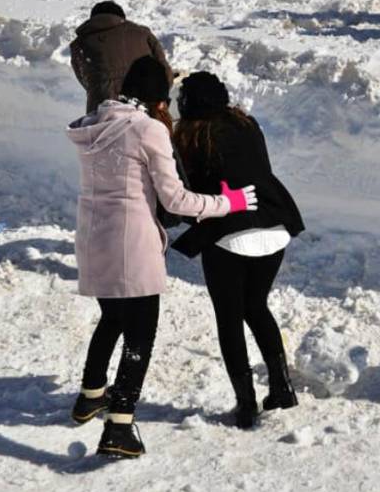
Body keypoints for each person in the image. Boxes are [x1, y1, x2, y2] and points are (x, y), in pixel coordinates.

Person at [66, 57, 258, 458]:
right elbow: (176, 200)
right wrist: (229, 203)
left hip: (93, 238)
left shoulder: (94, 124)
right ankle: (119, 427)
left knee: (112, 318)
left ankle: (91, 395)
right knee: (140, 335)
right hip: (131, 244)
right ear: (156, 98)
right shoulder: (147, 129)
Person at [171, 72, 305, 429]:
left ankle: (246, 405)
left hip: (229, 233)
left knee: (229, 318)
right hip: (273, 226)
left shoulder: (190, 135)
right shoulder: (248, 124)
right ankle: (282, 388)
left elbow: (187, 192)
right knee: (256, 306)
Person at [70, 1, 174, 113]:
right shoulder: (142, 34)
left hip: (101, 112)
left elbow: (85, 80)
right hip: (144, 108)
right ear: (121, 17)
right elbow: (164, 72)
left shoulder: (79, 44)